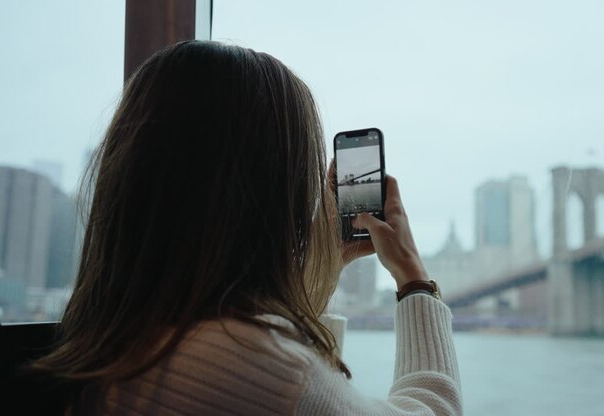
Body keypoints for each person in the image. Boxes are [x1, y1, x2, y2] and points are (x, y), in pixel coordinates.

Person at [32, 40, 461, 415]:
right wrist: (414, 278)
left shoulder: (111, 337)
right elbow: (432, 410)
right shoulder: (272, 374)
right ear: (272, 194)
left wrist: (325, 264)